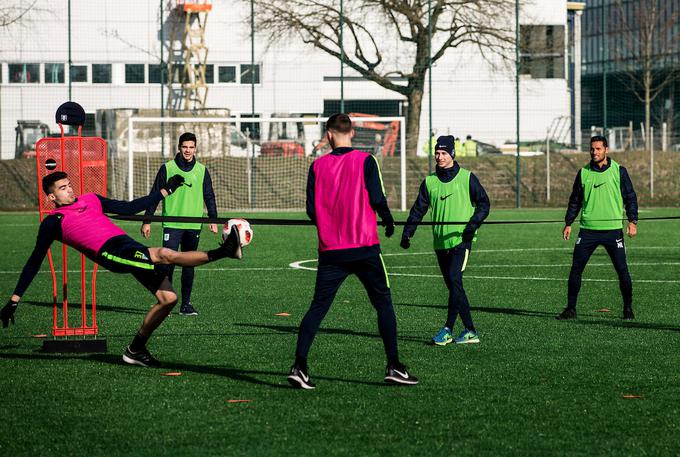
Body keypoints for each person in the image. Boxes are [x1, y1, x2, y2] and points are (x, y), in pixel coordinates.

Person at [0, 171, 242, 367]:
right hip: (111, 252)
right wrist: (14, 299)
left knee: (168, 299)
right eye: (62, 188)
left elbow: (128, 208)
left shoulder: (91, 199)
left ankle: (134, 350)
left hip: (128, 244)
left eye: (69, 184)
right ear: (52, 197)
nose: (70, 189)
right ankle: (223, 251)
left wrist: (164, 192)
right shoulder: (54, 222)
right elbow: (35, 260)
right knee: (165, 254)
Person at [288, 113, 418, 390]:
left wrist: (330, 222)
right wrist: (388, 219)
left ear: (329, 134)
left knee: (318, 307)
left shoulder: (317, 166)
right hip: (365, 247)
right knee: (383, 303)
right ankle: (394, 365)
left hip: (331, 251)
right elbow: (377, 197)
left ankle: (299, 366)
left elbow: (311, 210)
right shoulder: (366, 161)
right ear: (352, 133)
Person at [401, 135, 490, 345]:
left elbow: (484, 204)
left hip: (461, 241)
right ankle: (470, 330)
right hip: (440, 243)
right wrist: (408, 232)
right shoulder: (430, 182)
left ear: (452, 154)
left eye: (443, 153)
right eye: (437, 153)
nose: (439, 157)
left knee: (455, 280)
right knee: (454, 287)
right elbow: (418, 210)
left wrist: (472, 225)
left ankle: (448, 329)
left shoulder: (467, 178)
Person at [557, 135, 638, 321]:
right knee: (576, 269)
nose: (594, 152)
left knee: (622, 270)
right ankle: (570, 309)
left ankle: (628, 309)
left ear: (606, 150)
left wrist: (632, 221)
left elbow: (630, 197)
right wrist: (568, 222)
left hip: (613, 230)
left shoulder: (619, 171)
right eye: (592, 149)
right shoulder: (583, 172)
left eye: (598, 149)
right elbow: (575, 200)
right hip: (587, 231)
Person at [142, 132, 218, 316]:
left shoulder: (201, 170)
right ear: (179, 147)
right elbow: (155, 195)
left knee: (189, 265)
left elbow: (209, 195)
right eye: (185, 147)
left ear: (195, 148)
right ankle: (166, 304)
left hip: (193, 225)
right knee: (167, 264)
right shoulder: (167, 168)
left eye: (191, 147)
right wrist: (147, 220)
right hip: (172, 224)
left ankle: (186, 305)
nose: (188, 150)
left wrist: (213, 220)